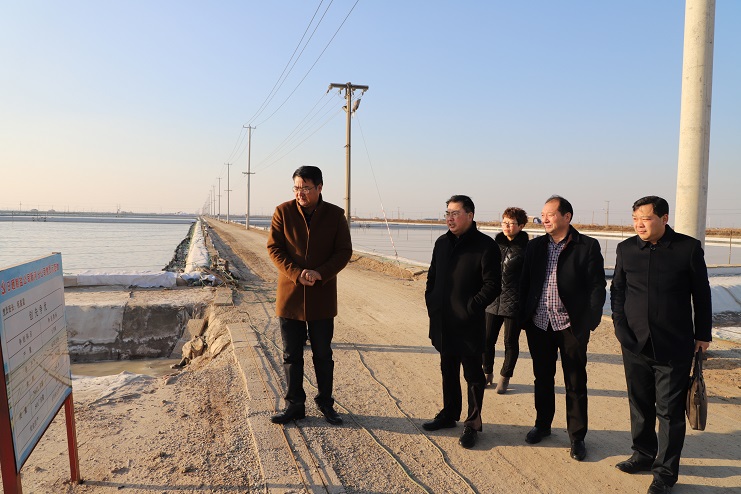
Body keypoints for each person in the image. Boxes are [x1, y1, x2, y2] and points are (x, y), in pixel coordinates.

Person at [611, 196, 712, 494]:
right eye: (635, 219)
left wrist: (703, 335)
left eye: (645, 218)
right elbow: (617, 290)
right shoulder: (626, 249)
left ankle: (665, 474)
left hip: (673, 345)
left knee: (669, 412)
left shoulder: (688, 248)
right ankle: (643, 454)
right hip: (634, 343)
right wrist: (620, 327)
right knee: (639, 404)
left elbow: (702, 294)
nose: (639, 224)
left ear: (664, 219)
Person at [519, 195, 606, 461]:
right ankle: (542, 425)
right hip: (539, 323)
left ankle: (577, 436)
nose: (544, 219)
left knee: (575, 381)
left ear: (566, 217)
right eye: (543, 214)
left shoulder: (587, 246)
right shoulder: (535, 246)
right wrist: (523, 317)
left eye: (550, 214)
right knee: (542, 378)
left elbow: (597, 287)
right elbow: (524, 283)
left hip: (571, 326)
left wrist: (589, 321)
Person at [267, 165, 352, 426]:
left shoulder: (335, 215)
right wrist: (296, 273)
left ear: (319, 187)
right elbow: (274, 249)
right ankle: (295, 405)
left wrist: (320, 273)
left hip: (321, 296)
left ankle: (326, 403)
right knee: (291, 354)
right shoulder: (283, 212)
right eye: (296, 187)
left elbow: (344, 251)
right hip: (290, 295)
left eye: (305, 187)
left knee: (323, 355)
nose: (300, 193)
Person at [423, 195, 501, 449]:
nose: (450, 218)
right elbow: (432, 276)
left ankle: (473, 423)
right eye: (447, 213)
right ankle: (449, 413)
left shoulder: (485, 246)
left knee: (473, 375)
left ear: (470, 215)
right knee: (447, 369)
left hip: (469, 323)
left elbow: (493, 285)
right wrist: (432, 301)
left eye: (455, 213)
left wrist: (471, 307)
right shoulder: (441, 243)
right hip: (443, 320)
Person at [483, 207, 529, 393]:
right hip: (492, 300)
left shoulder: (527, 249)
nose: (507, 226)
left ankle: (505, 376)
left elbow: (530, 279)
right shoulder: (494, 246)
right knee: (487, 340)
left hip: (513, 303)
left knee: (510, 342)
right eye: (504, 222)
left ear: (521, 225)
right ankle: (487, 372)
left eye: (511, 223)